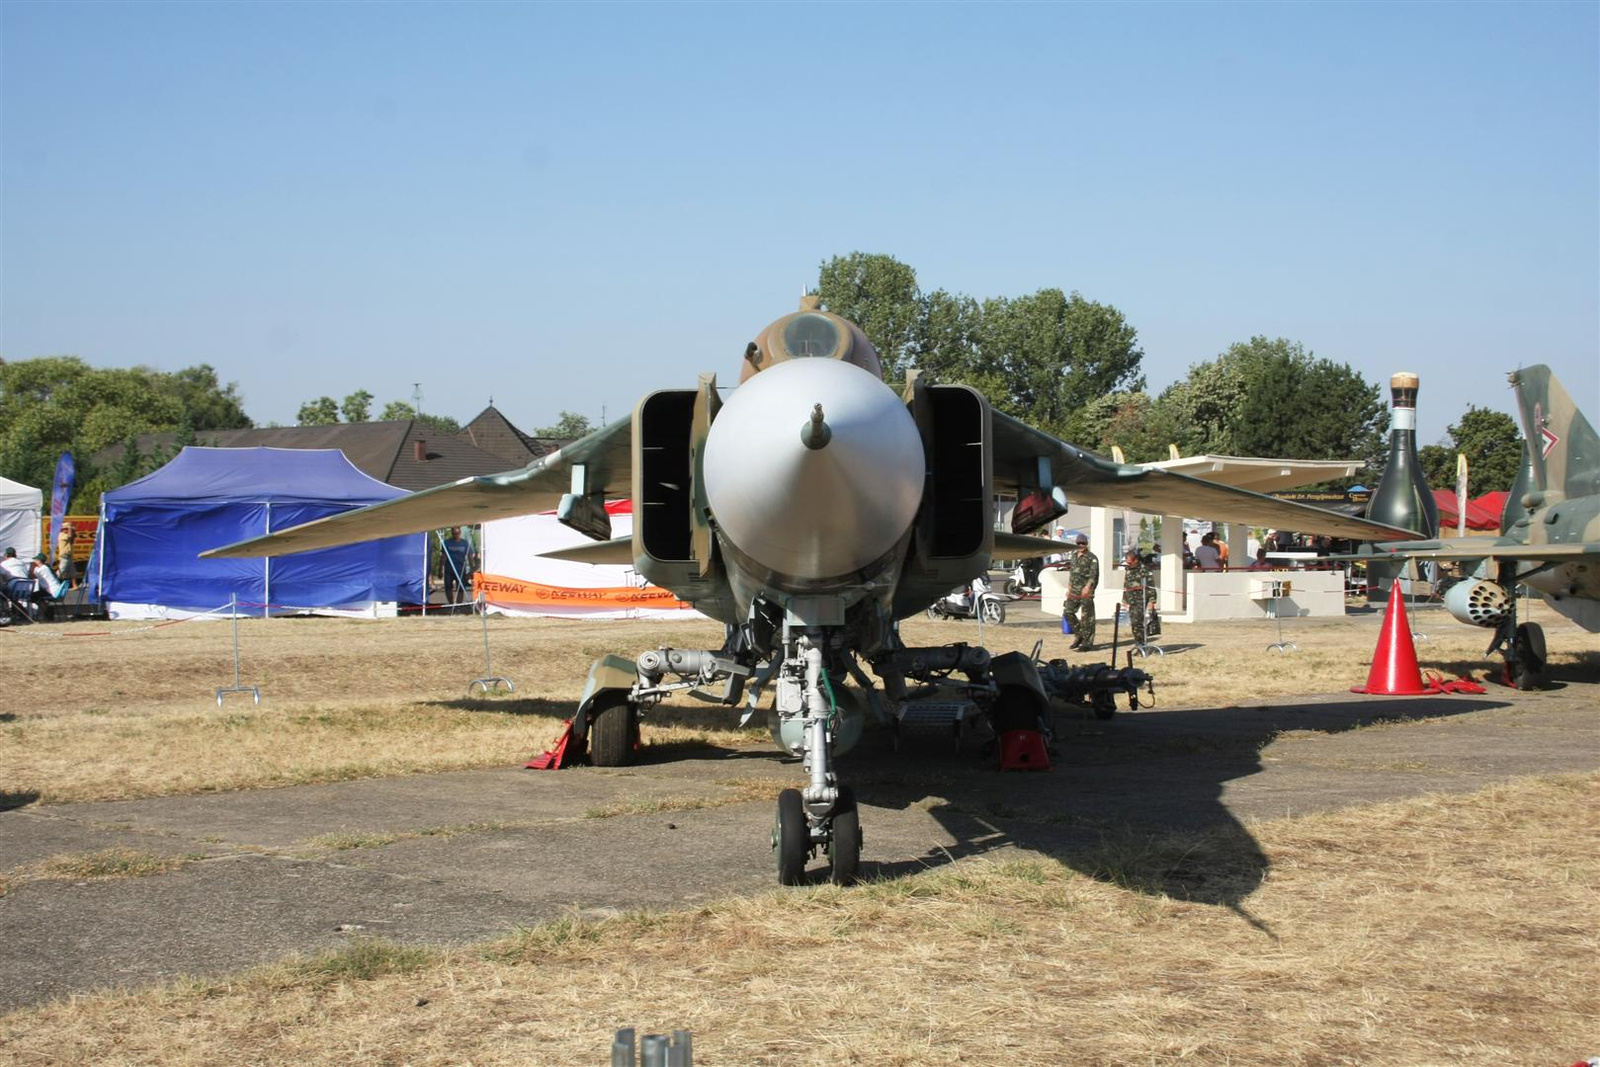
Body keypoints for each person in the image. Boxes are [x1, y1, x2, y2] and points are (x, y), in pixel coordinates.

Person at [1062, 534, 1099, 651]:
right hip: (1074, 590)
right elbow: (1072, 574)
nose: (1080, 546)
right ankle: (1080, 635)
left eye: (1082, 543)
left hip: (1085, 591)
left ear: (1086, 544)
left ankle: (1087, 643)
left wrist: (1088, 587)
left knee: (1087, 617)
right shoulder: (1073, 557)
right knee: (1068, 612)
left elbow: (1094, 575)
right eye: (1078, 544)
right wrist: (1069, 588)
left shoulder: (1091, 557)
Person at [1121, 546, 1151, 646]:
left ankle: (1141, 643)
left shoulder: (1144, 569)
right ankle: (1138, 642)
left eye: (1130, 562)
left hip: (1140, 599)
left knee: (1137, 621)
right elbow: (1126, 585)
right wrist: (1124, 599)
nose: (1128, 564)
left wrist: (1152, 601)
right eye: (1127, 562)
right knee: (1134, 622)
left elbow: (1151, 585)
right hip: (1131, 599)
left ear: (1136, 560)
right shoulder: (1128, 569)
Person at [440, 526, 475, 605]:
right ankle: (451, 603)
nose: (456, 535)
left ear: (460, 533)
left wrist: (472, 569)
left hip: (460, 569)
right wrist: (440, 569)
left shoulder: (465, 543)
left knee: (461, 587)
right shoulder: (447, 542)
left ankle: (459, 604)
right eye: (454, 533)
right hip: (449, 569)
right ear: (452, 533)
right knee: (448, 587)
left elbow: (470, 556)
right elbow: (443, 556)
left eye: (457, 533)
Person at [56, 522, 77, 589]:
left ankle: (74, 585)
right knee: (61, 571)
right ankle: (55, 583)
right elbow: (69, 536)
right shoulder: (61, 535)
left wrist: (72, 531)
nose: (67, 530)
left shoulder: (66, 535)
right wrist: (70, 528)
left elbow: (72, 539)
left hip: (69, 556)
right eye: (66, 529)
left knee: (72, 572)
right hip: (64, 556)